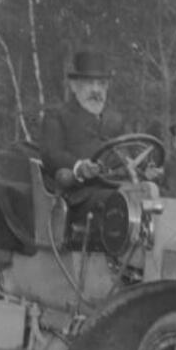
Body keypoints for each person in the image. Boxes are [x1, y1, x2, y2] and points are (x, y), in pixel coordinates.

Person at [39, 50, 125, 224]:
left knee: (154, 199)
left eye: (101, 84)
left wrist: (144, 168)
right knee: (119, 204)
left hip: (118, 187)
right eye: (88, 83)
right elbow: (52, 154)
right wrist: (79, 167)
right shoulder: (57, 116)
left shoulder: (116, 119)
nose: (96, 90)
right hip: (77, 196)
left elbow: (128, 153)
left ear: (107, 87)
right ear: (73, 86)